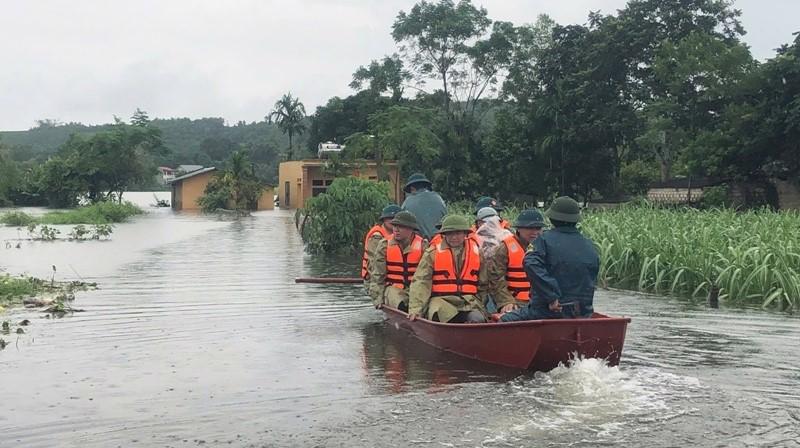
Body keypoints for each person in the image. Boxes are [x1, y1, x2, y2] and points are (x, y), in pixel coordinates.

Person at [501, 197, 599, 321]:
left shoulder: (543, 241)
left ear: (552, 219)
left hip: (547, 311)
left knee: (504, 320)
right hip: (582, 313)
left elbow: (530, 263)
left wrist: (552, 297)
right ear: (576, 220)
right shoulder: (589, 245)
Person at [408, 215, 488, 323]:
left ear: (465, 234)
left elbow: (484, 283)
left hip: (468, 301)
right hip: (441, 300)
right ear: (444, 235)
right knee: (439, 314)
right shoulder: (432, 253)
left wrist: (480, 301)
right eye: (450, 233)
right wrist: (416, 309)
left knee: (477, 319)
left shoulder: (477, 252)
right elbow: (421, 281)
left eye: (458, 233)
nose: (454, 237)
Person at [489, 209, 546, 314]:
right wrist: (506, 301)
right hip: (515, 301)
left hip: (540, 302)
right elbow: (496, 279)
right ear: (519, 229)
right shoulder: (504, 248)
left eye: (538, 228)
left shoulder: (546, 247)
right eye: (529, 228)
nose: (534, 232)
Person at [368, 211, 424, 311]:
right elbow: (377, 275)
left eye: (401, 227)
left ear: (411, 229)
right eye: (394, 226)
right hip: (394, 288)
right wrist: (377, 298)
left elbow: (427, 276)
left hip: (417, 289)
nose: (396, 230)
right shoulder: (384, 245)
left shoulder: (423, 245)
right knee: (398, 301)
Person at [361, 204, 401, 285]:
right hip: (374, 279)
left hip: (393, 279)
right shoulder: (376, 236)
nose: (393, 221)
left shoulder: (400, 235)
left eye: (395, 219)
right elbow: (374, 263)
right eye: (389, 218)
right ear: (383, 220)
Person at [401, 173, 446, 241]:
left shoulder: (408, 202)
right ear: (426, 186)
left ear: (412, 188)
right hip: (440, 241)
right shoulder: (438, 198)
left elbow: (401, 222)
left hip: (419, 243)